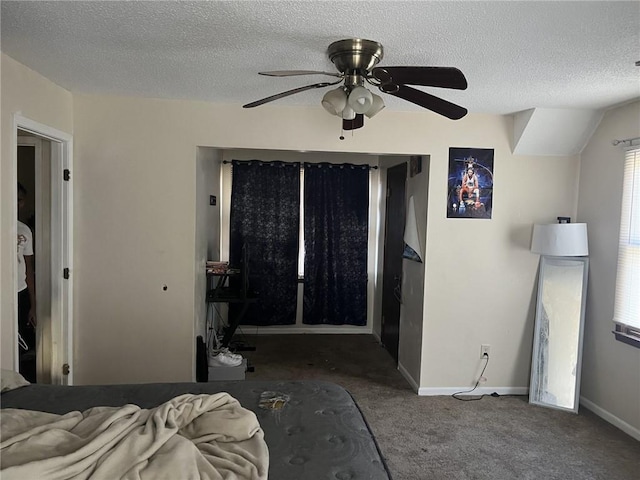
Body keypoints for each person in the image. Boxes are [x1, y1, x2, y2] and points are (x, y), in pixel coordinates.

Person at [17, 182, 36, 382]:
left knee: (20, 341)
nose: (15, 204)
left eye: (20, 200)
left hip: (20, 292)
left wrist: (33, 304)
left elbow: (28, 267)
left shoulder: (24, 231)